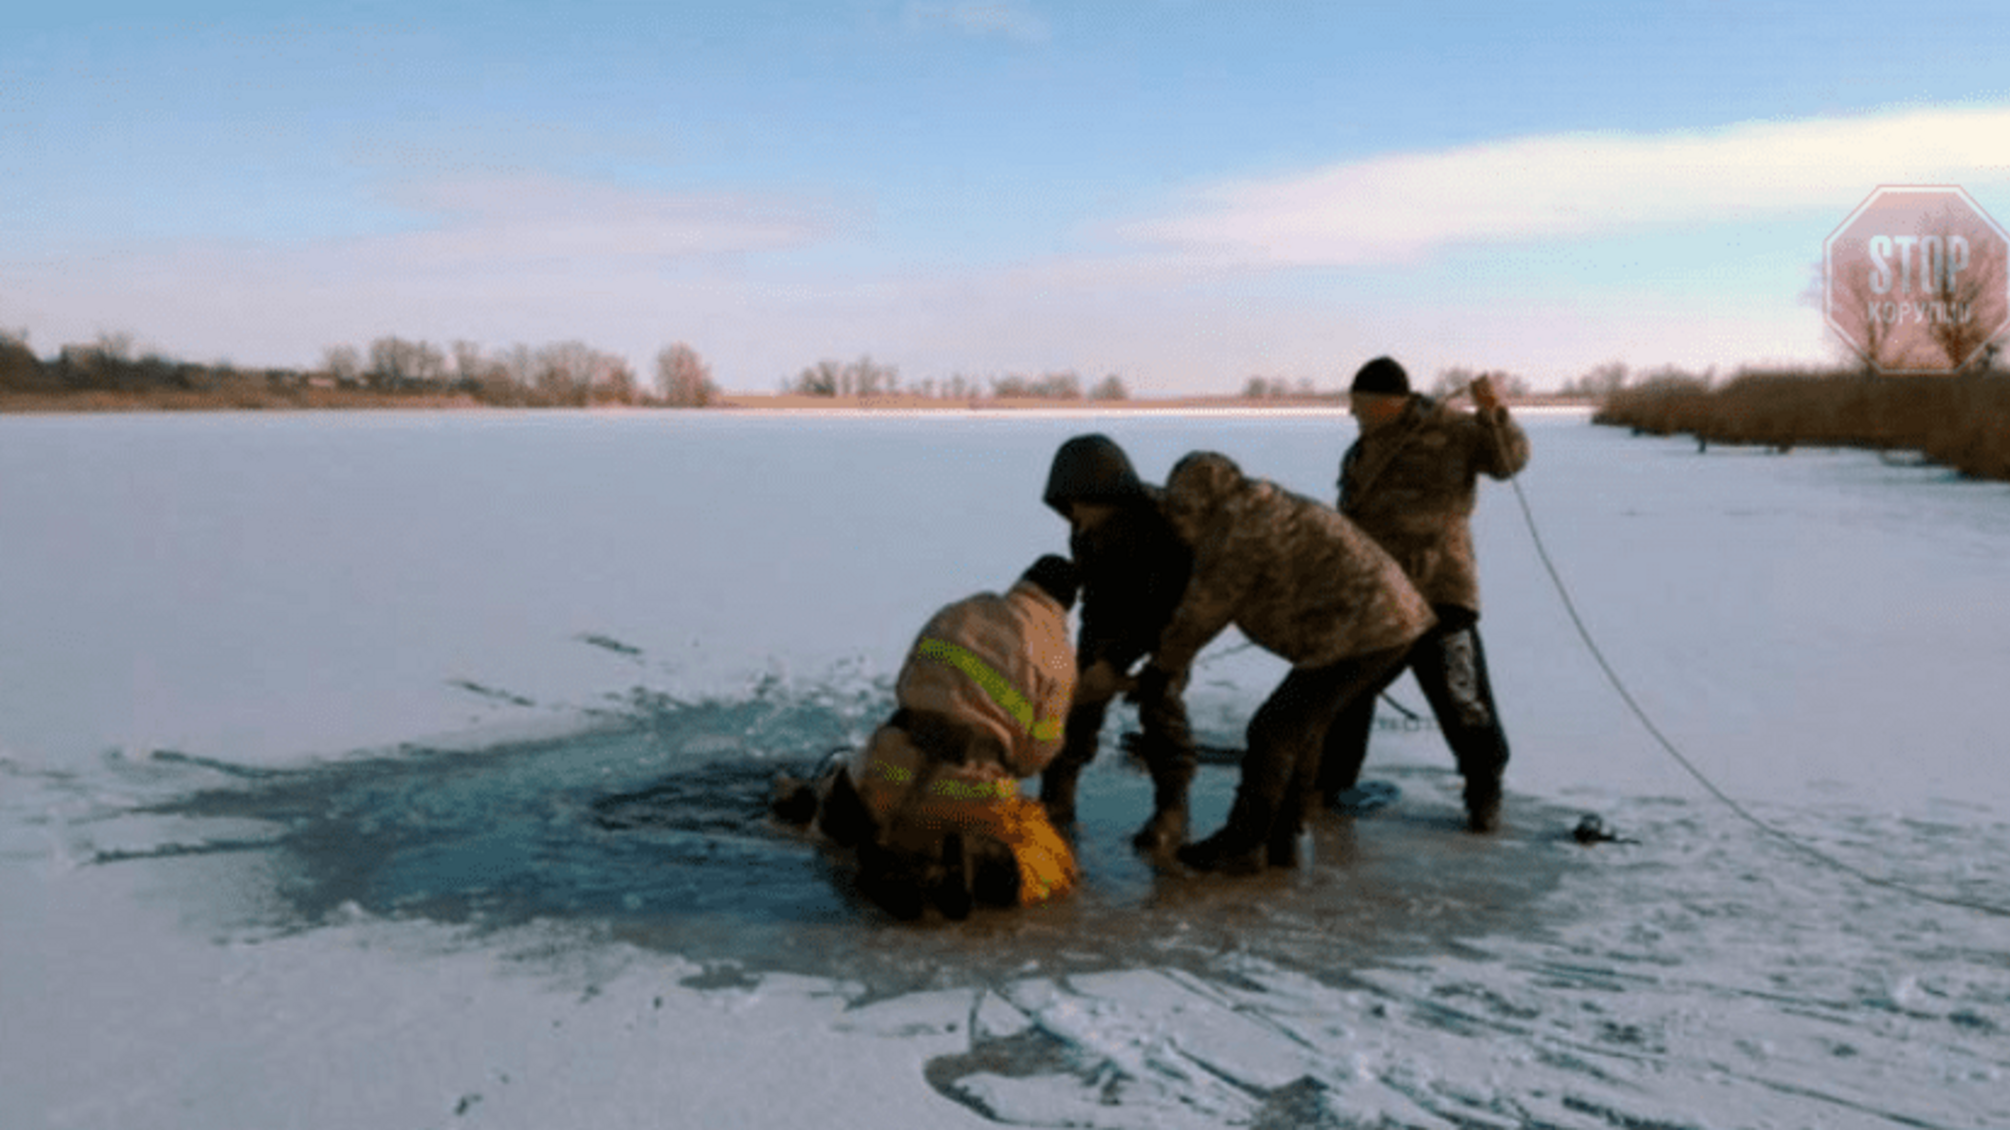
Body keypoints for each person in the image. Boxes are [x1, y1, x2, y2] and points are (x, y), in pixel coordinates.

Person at [1132, 451, 1435, 874]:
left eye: (1185, 510)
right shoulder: (1249, 505)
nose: (1180, 522)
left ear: (1203, 503)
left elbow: (1203, 611)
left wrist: (1160, 670)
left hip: (1366, 628)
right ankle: (1283, 832)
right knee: (1299, 730)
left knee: (1273, 731)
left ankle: (1244, 842)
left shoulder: (1237, 530)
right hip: (1379, 621)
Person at [771, 555, 1082, 919]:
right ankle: (973, 868)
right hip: (967, 795)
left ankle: (839, 815)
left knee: (855, 779)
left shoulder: (959, 613)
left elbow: (905, 684)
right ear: (1065, 606)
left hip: (889, 768)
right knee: (1051, 858)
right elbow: (1035, 757)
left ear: (1023, 581)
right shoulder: (1059, 659)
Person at [1320, 356, 1530, 832]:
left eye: (1357, 405)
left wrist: (1495, 412)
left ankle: (1484, 794)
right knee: (1342, 691)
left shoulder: (1451, 430)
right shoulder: (1362, 451)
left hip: (1440, 596)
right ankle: (1330, 785)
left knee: (1464, 699)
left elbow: (1507, 460)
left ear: (1382, 402)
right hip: (1376, 599)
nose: (1351, 414)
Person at [1037, 434, 1199, 855]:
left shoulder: (1166, 525)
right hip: (1115, 619)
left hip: (1173, 621)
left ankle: (1173, 809)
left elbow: (1166, 606)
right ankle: (1057, 794)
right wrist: (1093, 660)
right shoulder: (1086, 531)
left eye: (1077, 506)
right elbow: (1097, 598)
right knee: (1078, 700)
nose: (1072, 518)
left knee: (1161, 701)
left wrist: (1116, 663)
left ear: (1103, 494)